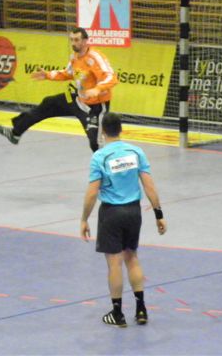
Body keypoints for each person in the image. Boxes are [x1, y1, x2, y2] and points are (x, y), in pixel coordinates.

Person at [80, 113, 166, 327]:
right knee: (132, 258)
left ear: (102, 131)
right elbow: (149, 185)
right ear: (121, 129)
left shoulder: (100, 157)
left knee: (114, 263)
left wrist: (84, 219)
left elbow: (92, 193)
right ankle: (141, 309)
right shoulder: (136, 152)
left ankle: (117, 313)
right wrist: (159, 214)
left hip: (111, 213)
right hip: (133, 211)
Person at [0, 27, 117, 152]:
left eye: (77, 40)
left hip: (96, 107)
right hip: (79, 101)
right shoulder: (75, 57)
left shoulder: (95, 58)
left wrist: (97, 89)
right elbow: (68, 73)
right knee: (48, 103)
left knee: (95, 143)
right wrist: (47, 75)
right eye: (71, 40)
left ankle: (107, 162)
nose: (73, 43)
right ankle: (15, 133)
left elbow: (111, 77)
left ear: (85, 41)